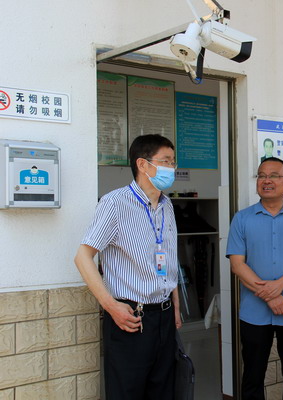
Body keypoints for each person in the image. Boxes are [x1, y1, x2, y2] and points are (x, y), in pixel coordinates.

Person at [74, 134, 181, 400]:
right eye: (166, 161)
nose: (171, 168)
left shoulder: (167, 206)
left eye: (173, 162)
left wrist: (176, 308)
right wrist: (111, 306)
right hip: (131, 317)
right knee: (127, 392)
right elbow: (83, 257)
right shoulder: (115, 203)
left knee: (164, 391)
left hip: (165, 317)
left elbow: (169, 260)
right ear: (143, 164)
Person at [227, 157, 283, 400]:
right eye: (261, 175)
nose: (266, 180)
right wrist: (271, 296)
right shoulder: (241, 218)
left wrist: (279, 286)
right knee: (252, 377)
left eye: (274, 175)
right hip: (253, 313)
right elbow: (237, 265)